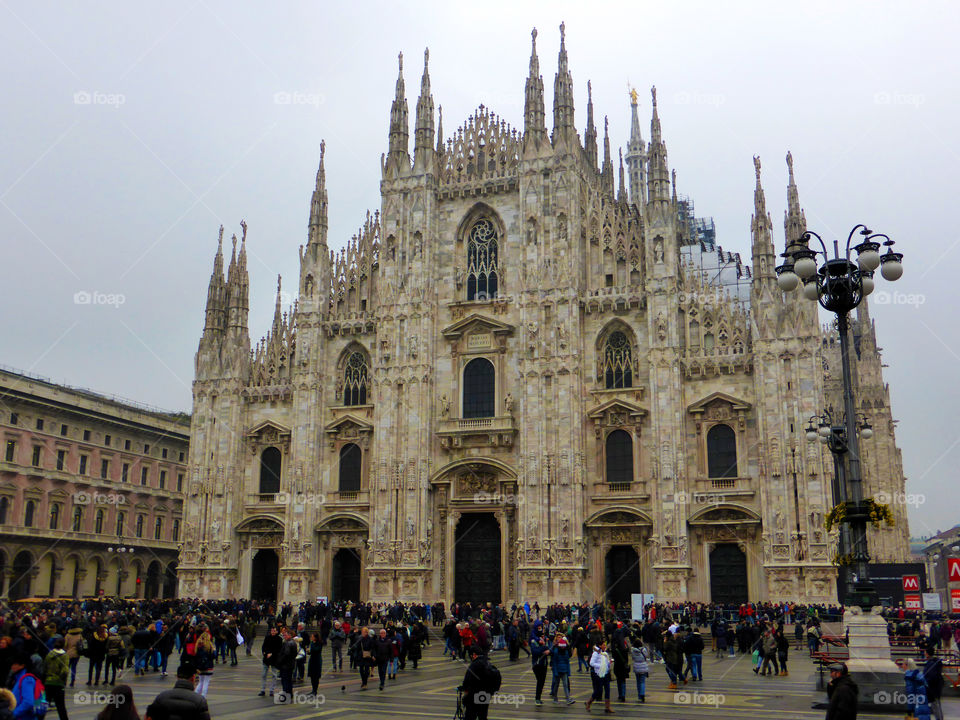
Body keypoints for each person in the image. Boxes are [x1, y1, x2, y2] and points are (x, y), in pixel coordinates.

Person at [461, 647, 499, 720]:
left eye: (471, 656)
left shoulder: (474, 665)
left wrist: (465, 690)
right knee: (483, 716)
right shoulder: (488, 663)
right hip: (486, 695)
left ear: (474, 655)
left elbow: (467, 680)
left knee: (470, 716)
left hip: (474, 695)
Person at [41, 637, 69, 720]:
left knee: (44, 704)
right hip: (58, 683)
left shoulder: (49, 654)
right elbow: (65, 671)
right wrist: (63, 681)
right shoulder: (64, 656)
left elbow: (44, 668)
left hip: (48, 682)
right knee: (61, 707)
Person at [585, 638, 613, 713]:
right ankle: (589, 702)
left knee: (607, 690)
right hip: (598, 674)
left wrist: (609, 663)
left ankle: (607, 707)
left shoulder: (605, 653)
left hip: (606, 673)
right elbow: (591, 663)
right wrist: (600, 665)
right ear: (600, 646)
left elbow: (606, 663)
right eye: (604, 645)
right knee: (598, 691)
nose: (605, 646)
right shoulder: (596, 653)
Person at [10, 654, 40, 720]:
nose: (12, 666)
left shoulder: (26, 679)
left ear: (22, 665)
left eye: (14, 664)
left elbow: (28, 702)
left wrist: (13, 714)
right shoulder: (19, 678)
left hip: (25, 717)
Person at [550, 633, 575, 705]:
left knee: (562, 684)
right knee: (558, 684)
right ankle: (562, 698)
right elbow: (555, 660)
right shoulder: (557, 649)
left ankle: (565, 698)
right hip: (559, 669)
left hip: (561, 669)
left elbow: (567, 660)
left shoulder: (558, 649)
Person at [921, 644, 944, 720]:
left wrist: (925, 682)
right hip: (934, 688)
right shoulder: (932, 662)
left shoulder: (931, 663)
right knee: (935, 705)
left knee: (935, 705)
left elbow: (931, 676)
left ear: (927, 654)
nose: (924, 654)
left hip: (933, 688)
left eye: (925, 652)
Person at [258, 625, 281, 697]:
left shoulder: (279, 639)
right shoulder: (267, 637)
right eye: (272, 631)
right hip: (266, 659)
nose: (273, 632)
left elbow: (279, 649)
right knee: (264, 674)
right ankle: (262, 690)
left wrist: (272, 653)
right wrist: (265, 653)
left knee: (274, 675)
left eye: (274, 631)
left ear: (277, 631)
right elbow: (264, 646)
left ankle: (272, 690)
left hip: (274, 659)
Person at [193, 628, 215, 698]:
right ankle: (203, 697)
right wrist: (214, 651)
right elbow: (213, 656)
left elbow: (196, 656)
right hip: (208, 666)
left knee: (200, 682)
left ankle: (195, 695)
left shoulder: (198, 645)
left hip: (200, 666)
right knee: (206, 683)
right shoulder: (209, 646)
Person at [530, 632, 549, 706]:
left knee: (542, 682)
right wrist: (543, 647)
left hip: (544, 665)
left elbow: (549, 650)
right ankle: (537, 698)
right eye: (541, 636)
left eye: (543, 636)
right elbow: (535, 652)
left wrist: (545, 647)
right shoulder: (534, 642)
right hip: (537, 665)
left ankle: (539, 698)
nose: (542, 638)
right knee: (540, 681)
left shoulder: (545, 642)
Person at [629, 638, 650, 703]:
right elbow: (647, 656)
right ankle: (642, 694)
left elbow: (632, 657)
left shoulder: (632, 650)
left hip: (636, 666)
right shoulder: (643, 649)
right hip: (643, 666)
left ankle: (639, 695)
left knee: (638, 682)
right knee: (642, 681)